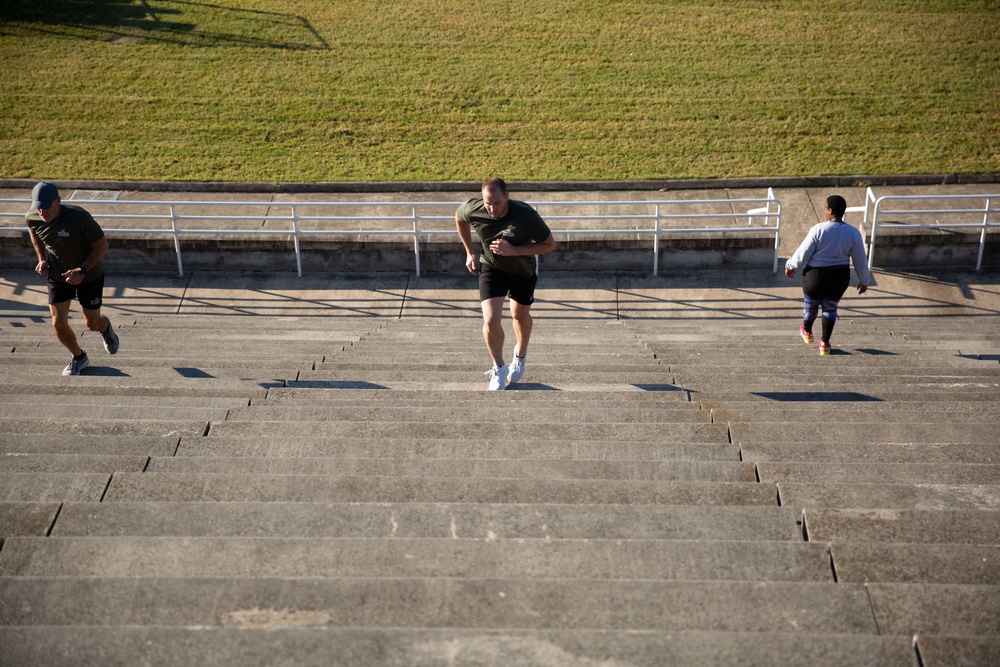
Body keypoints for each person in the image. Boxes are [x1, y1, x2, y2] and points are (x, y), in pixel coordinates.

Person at [456, 178, 555, 390]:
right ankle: (498, 367)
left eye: (497, 203)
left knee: (519, 316)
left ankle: (520, 355)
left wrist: (515, 250)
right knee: (491, 319)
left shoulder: (526, 215)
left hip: (522, 270)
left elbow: (549, 244)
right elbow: (459, 218)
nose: (491, 208)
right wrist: (469, 252)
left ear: (507, 197)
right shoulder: (474, 209)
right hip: (492, 267)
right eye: (487, 203)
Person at [25, 181, 120, 375]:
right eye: (38, 207)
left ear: (58, 201)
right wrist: (42, 259)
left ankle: (105, 327)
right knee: (58, 323)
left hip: (89, 275)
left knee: (91, 323)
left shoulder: (79, 218)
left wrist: (82, 270)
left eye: (46, 207)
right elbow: (33, 232)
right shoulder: (33, 217)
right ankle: (79, 357)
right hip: (57, 275)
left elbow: (102, 245)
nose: (42, 212)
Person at [784, 194, 870, 355]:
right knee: (830, 308)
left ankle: (807, 331)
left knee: (810, 304)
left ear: (830, 211)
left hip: (815, 277)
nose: (823, 211)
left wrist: (790, 265)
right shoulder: (853, 233)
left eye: (824, 208)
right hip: (839, 277)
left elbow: (803, 253)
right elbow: (860, 260)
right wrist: (864, 280)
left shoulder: (819, 229)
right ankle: (824, 344)